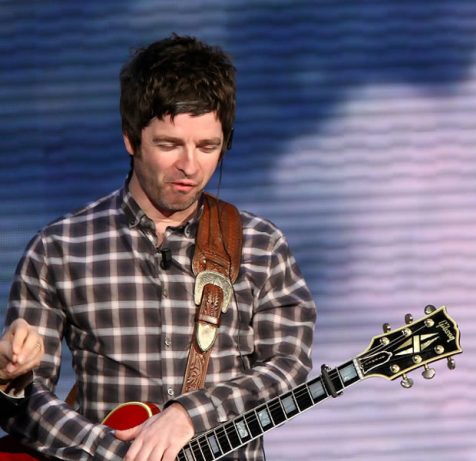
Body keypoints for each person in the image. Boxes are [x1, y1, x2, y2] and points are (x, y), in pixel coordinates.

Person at [1, 34, 316, 461]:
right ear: (131, 138)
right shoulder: (59, 248)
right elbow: (23, 403)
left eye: (208, 146)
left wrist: (191, 413)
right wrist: (111, 450)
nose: (190, 165)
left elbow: (287, 369)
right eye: (169, 145)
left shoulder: (262, 245)